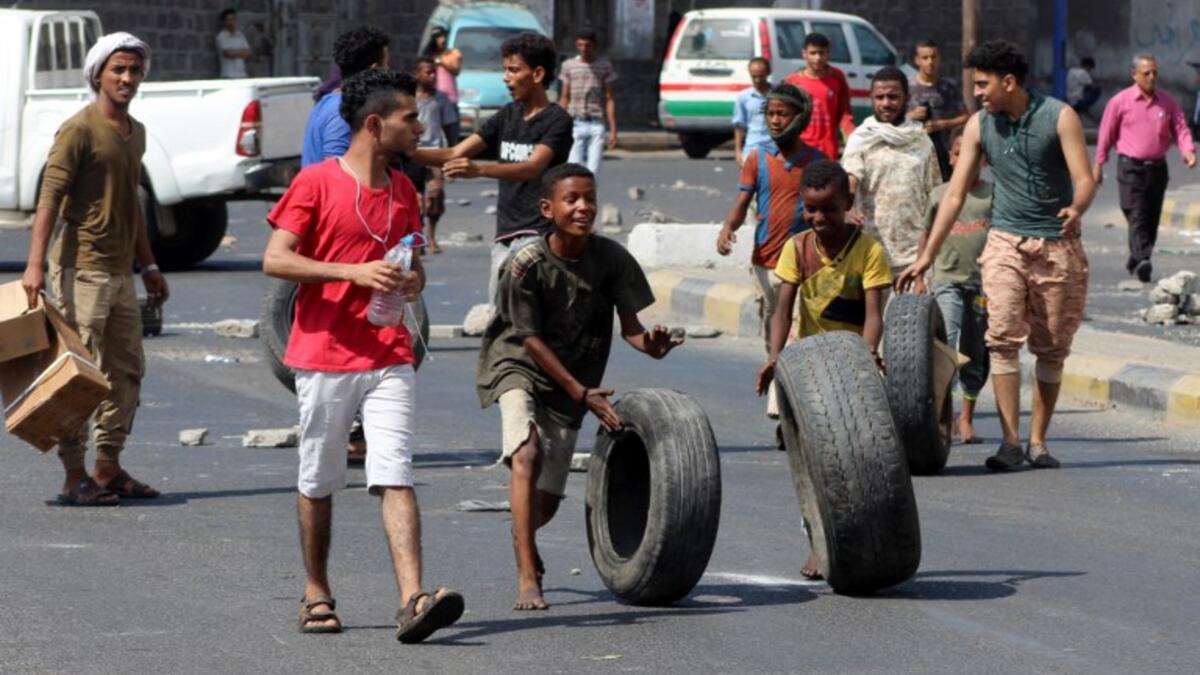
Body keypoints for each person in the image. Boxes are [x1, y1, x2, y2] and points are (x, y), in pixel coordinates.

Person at [262, 69, 464, 641]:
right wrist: (349, 271)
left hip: (389, 351)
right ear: (375, 125)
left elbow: (411, 263)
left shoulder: (403, 189)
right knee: (320, 477)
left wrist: (412, 283)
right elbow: (276, 259)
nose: (419, 125)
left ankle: (413, 598)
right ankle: (316, 590)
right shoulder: (316, 183)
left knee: (395, 471)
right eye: (409, 117)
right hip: (324, 353)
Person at [476, 163, 684, 610]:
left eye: (589, 198)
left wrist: (652, 345)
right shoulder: (525, 263)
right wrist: (580, 393)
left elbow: (632, 329)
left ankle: (523, 537)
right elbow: (528, 338)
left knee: (545, 504)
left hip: (573, 379)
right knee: (526, 453)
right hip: (518, 363)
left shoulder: (610, 259)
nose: (583, 207)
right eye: (572, 199)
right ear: (548, 208)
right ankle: (527, 574)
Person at [898, 40, 1096, 472]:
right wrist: (927, 255)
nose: (979, 93)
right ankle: (1010, 443)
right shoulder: (977, 125)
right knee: (1001, 340)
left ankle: (1038, 442)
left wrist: (1076, 207)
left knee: (1051, 349)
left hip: (1056, 247)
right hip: (1004, 241)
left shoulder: (1060, 117)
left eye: (984, 84)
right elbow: (953, 195)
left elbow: (1085, 178)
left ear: (1009, 82)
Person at [20, 33, 166, 506]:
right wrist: (34, 265)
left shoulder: (136, 131)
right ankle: (71, 475)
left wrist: (150, 265)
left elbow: (132, 205)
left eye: (134, 70)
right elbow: (50, 199)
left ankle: (108, 466)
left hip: (120, 274)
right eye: (118, 70)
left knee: (127, 370)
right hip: (79, 270)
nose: (127, 78)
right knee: (79, 376)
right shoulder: (79, 129)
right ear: (98, 74)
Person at [755, 159, 892, 579]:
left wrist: (866, 358)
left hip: (851, 368)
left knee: (860, 460)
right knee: (812, 465)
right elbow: (783, 309)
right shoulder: (797, 248)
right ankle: (818, 542)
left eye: (829, 209)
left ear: (849, 203)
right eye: (810, 210)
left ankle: (867, 537)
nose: (818, 218)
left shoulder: (869, 251)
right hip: (809, 369)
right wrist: (775, 357)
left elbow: (874, 314)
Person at [413, 32, 573, 303]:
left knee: (529, 319)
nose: (505, 77)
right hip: (505, 235)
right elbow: (454, 152)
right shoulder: (506, 115)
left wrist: (479, 170)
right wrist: (404, 151)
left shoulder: (557, 120)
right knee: (500, 317)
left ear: (537, 74)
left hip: (540, 234)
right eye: (504, 70)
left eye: (513, 70)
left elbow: (533, 168)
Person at [716, 83, 820, 419]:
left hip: (803, 265)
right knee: (771, 328)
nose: (775, 120)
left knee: (795, 331)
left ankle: (783, 402)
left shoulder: (815, 162)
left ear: (798, 118)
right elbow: (742, 201)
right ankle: (780, 382)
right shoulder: (756, 159)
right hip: (765, 262)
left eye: (782, 114)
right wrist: (728, 227)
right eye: (771, 114)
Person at [1093, 53, 1196, 283]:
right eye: (1146, 73)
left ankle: (1137, 256)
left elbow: (1180, 128)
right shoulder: (1120, 102)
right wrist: (1098, 163)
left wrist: (1188, 150)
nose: (1151, 77)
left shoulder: (1167, 102)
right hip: (1130, 167)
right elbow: (1106, 134)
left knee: (1151, 216)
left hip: (1157, 169)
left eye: (1154, 73)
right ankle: (1142, 259)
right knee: (1136, 212)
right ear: (1134, 75)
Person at [921, 130, 992, 443]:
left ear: (984, 159)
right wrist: (921, 274)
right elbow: (925, 236)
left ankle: (966, 417)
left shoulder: (993, 195)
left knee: (976, 349)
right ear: (950, 158)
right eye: (959, 152)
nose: (966, 159)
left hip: (983, 285)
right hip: (946, 281)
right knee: (946, 346)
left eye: (974, 153)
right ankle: (942, 414)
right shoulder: (939, 195)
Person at [843, 67, 942, 276]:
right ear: (871, 98)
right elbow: (851, 176)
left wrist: (932, 249)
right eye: (879, 97)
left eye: (893, 97)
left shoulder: (921, 139)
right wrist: (849, 205)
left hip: (915, 255)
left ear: (907, 97)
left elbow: (935, 194)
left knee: (911, 310)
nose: (886, 103)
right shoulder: (861, 138)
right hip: (871, 252)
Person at [302, 26, 390, 168]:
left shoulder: (332, 102)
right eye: (386, 66)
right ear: (375, 70)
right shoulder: (342, 110)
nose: (388, 73)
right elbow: (335, 170)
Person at [784, 32, 855, 160]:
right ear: (804, 54)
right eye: (813, 53)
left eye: (821, 53)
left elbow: (845, 113)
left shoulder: (837, 77)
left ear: (828, 54)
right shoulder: (792, 82)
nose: (817, 58)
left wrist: (851, 136)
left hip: (828, 149)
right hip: (800, 148)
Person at [907, 39, 969, 180]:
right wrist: (912, 115)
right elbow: (894, 120)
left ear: (939, 58)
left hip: (943, 153)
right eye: (925, 58)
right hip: (914, 153)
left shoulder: (948, 87)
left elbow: (966, 117)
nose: (930, 62)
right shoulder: (908, 87)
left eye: (933, 57)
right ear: (917, 60)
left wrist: (942, 124)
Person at [559, 29, 618, 176]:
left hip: (596, 122)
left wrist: (613, 131)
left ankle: (590, 198)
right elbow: (564, 96)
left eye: (587, 45)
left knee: (593, 172)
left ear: (594, 46)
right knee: (573, 169)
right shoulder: (569, 66)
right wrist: (559, 124)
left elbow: (609, 98)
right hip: (575, 122)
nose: (584, 49)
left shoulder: (604, 66)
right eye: (580, 45)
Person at [413, 57, 457, 254]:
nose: (431, 76)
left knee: (435, 197)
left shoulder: (441, 99)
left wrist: (453, 153)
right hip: (412, 154)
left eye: (434, 73)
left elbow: (449, 126)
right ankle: (417, 237)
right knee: (415, 200)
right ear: (417, 74)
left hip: (435, 153)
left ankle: (431, 236)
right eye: (427, 72)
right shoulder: (409, 98)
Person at [422, 25, 462, 145]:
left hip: (450, 98)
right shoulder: (428, 55)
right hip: (433, 98)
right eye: (439, 36)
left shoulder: (452, 53)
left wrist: (440, 61)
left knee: (452, 132)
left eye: (443, 36)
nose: (442, 39)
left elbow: (456, 70)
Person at [732, 57, 773, 166]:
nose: (757, 80)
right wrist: (738, 151)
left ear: (768, 73)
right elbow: (739, 126)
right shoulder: (743, 97)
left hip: (775, 150)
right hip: (752, 149)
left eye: (761, 76)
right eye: (754, 76)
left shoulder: (778, 94)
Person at [215, 8, 252, 79]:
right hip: (228, 75)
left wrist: (234, 52)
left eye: (233, 19)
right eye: (229, 20)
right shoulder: (221, 36)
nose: (231, 22)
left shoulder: (240, 35)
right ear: (224, 22)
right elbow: (227, 54)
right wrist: (241, 52)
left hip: (242, 75)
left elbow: (248, 52)